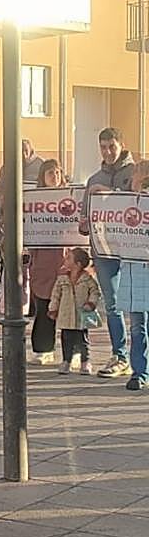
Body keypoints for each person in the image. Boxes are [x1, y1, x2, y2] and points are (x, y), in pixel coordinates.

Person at [79, 127, 137, 379]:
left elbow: (140, 203)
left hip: (132, 251)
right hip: (103, 251)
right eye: (103, 147)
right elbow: (85, 215)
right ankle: (120, 355)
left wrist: (111, 194)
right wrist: (83, 222)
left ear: (121, 145)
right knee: (112, 304)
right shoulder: (93, 179)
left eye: (112, 146)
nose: (107, 151)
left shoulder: (136, 173)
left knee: (136, 304)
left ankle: (140, 359)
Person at [28, 160, 70, 365]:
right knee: (44, 305)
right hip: (43, 260)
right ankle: (43, 348)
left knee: (70, 307)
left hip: (65, 259)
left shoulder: (70, 197)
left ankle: (74, 352)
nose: (54, 176)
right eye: (50, 173)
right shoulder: (35, 200)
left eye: (57, 172)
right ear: (42, 177)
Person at [117, 160, 149, 391]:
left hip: (144, 266)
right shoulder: (125, 201)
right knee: (137, 325)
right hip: (132, 269)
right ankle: (139, 372)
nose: (132, 175)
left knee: (141, 325)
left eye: (137, 171)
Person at [49, 248, 101, 375]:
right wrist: (53, 308)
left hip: (81, 316)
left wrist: (91, 303)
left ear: (77, 264)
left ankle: (85, 361)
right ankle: (66, 361)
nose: (65, 260)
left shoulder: (87, 279)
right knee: (66, 339)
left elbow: (95, 292)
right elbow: (55, 295)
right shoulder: (62, 279)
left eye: (69, 258)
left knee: (83, 340)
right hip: (66, 316)